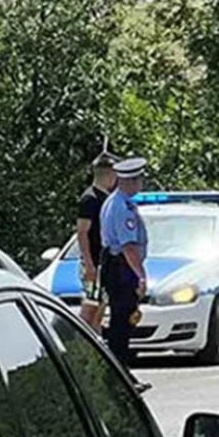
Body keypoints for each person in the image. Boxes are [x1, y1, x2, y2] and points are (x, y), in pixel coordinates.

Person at [99, 156, 149, 366]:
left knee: (122, 320)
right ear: (128, 181)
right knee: (122, 321)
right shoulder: (121, 207)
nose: (141, 183)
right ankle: (119, 368)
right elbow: (128, 247)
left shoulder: (117, 202)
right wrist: (141, 275)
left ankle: (121, 367)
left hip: (118, 265)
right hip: (122, 267)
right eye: (138, 179)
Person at [78, 148, 118, 332]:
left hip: (104, 263)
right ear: (109, 174)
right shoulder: (90, 199)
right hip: (93, 263)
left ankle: (97, 344)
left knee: (100, 309)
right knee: (90, 308)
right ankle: (83, 346)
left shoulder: (106, 199)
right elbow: (82, 232)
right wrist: (89, 264)